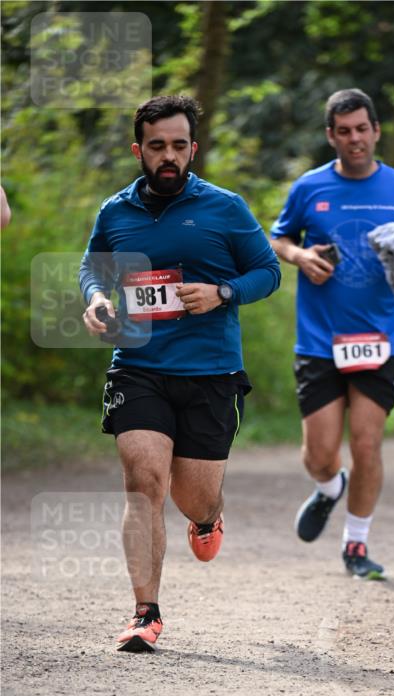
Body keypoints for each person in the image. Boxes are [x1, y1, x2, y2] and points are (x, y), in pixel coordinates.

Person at [80, 95, 281, 652]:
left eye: (177, 146)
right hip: (138, 365)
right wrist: (97, 299)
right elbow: (93, 267)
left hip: (211, 373)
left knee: (193, 496)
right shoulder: (115, 212)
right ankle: (146, 613)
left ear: (192, 149)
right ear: (138, 150)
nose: (167, 156)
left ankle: (208, 518)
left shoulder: (225, 207)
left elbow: (268, 272)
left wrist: (223, 292)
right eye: (156, 146)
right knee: (143, 482)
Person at [270, 88, 394, 579]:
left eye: (362, 129)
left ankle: (356, 546)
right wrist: (300, 256)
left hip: (380, 336)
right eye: (343, 131)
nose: (354, 139)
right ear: (331, 136)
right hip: (319, 339)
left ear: (376, 130)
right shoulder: (309, 188)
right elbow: (279, 236)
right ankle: (330, 488)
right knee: (320, 455)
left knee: (368, 443)